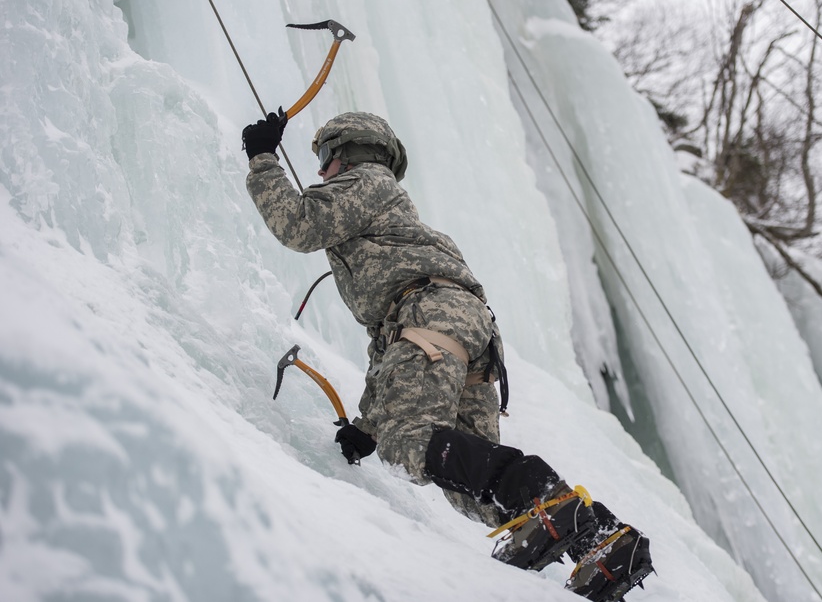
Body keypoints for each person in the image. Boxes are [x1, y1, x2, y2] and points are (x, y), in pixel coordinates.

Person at [242, 110, 653, 601]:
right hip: (463, 328)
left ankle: (538, 491)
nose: (322, 172)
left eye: (325, 159)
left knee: (410, 441)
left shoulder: (365, 180)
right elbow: (392, 352)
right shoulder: (392, 218)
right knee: (470, 489)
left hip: (432, 315)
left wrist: (264, 158)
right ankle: (605, 542)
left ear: (345, 152)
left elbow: (298, 226)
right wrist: (368, 426)